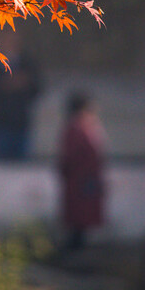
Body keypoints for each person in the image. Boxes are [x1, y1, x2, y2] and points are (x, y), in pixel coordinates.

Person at [0, 33, 41, 159]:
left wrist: (23, 84)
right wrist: (2, 85)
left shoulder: (27, 62)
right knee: (1, 161)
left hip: (21, 120)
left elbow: (37, 87)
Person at [57, 93, 107, 251]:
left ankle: (78, 244)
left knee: (83, 215)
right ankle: (75, 246)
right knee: (79, 215)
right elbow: (71, 156)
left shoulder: (86, 127)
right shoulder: (77, 129)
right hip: (80, 179)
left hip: (85, 178)